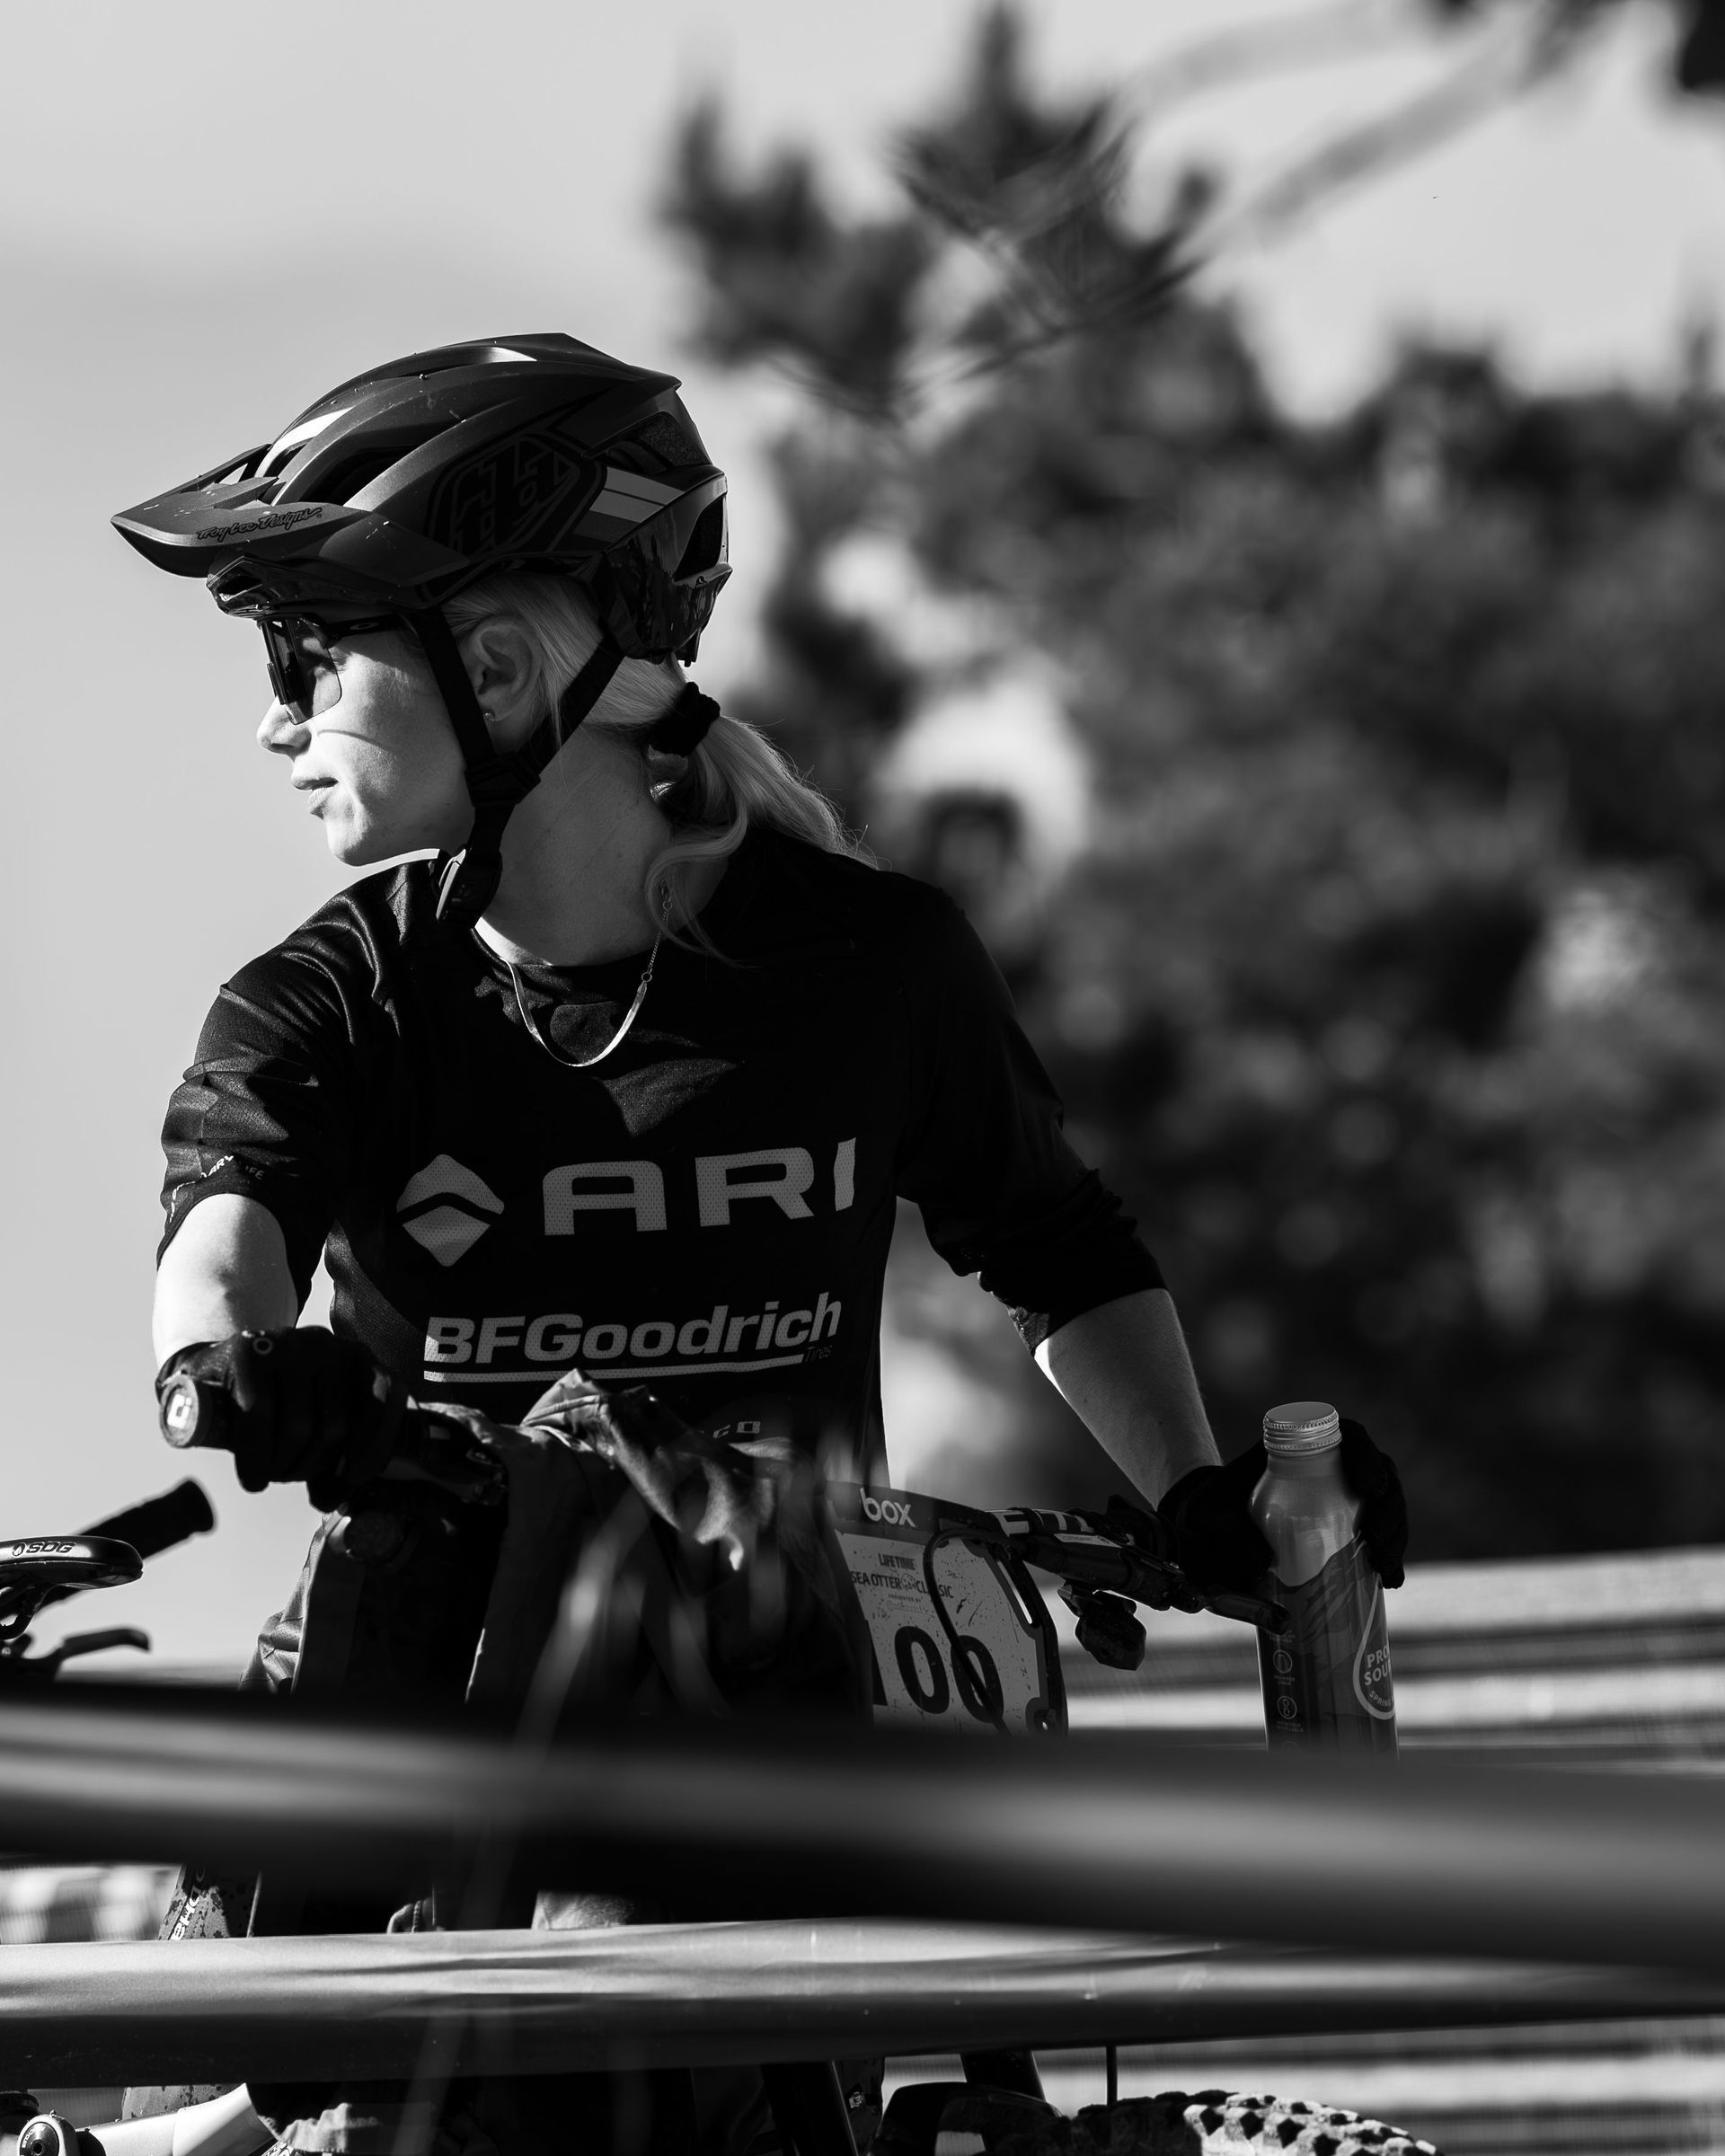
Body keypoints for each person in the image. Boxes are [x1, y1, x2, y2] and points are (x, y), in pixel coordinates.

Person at [115, 331, 1404, 2149]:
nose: (275, 714)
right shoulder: (334, 999)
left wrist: (1203, 1503)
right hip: (396, 1744)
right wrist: (229, 1367)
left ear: (492, 665)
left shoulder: (870, 967)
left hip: (773, 1698)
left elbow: (1052, 1242)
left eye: (306, 653)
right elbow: (225, 1219)